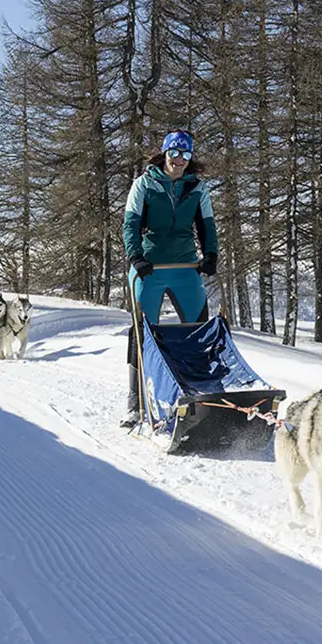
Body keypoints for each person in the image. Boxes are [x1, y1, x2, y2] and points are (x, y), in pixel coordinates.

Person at [120, 129, 219, 427]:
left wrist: (211, 255)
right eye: (174, 153)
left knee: (198, 331)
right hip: (149, 269)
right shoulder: (144, 184)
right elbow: (130, 225)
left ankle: (202, 398)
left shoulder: (197, 189)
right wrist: (136, 256)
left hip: (184, 268)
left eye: (185, 154)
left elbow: (207, 227)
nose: (179, 160)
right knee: (142, 332)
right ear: (165, 154)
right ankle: (135, 404)